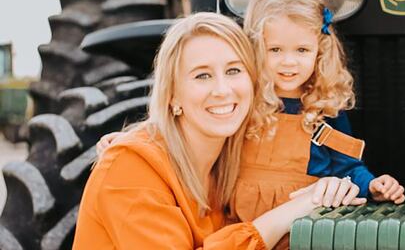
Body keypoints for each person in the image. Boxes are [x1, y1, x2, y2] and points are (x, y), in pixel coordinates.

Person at [74, 12, 365, 249]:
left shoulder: (229, 162)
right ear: (172, 95)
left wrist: (325, 189)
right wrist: (288, 213)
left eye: (234, 70)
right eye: (202, 75)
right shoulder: (130, 169)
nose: (223, 91)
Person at [232, 0, 405, 231]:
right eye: (275, 50)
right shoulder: (244, 102)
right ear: (256, 47)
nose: (289, 62)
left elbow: (347, 167)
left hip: (306, 226)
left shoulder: (324, 108)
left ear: (319, 51)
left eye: (302, 50)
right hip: (242, 223)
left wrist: (372, 185)